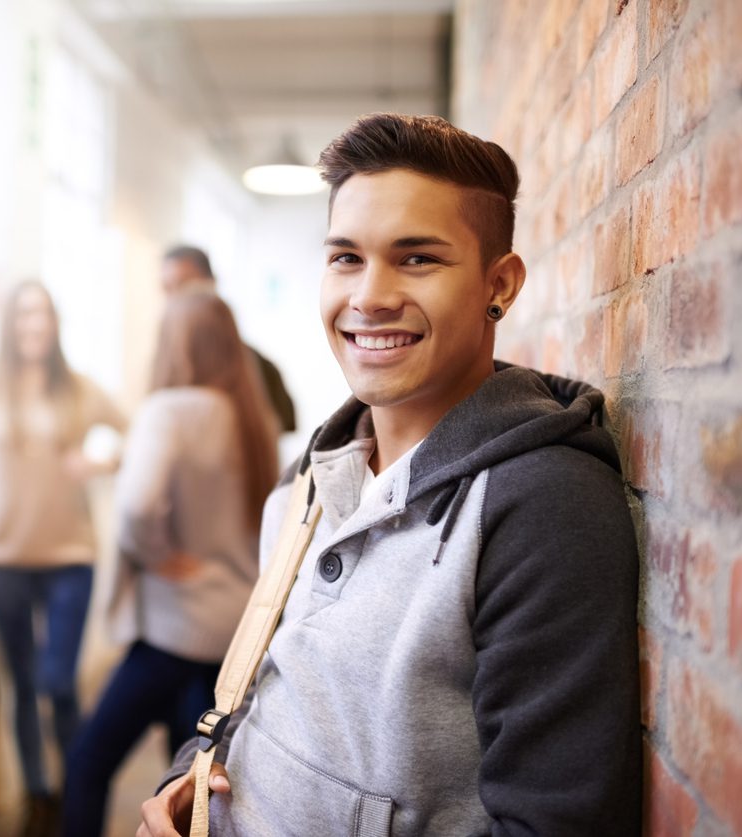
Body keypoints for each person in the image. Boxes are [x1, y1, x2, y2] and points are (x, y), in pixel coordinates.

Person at [138, 113, 642, 836]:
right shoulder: (309, 481)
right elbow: (260, 684)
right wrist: (187, 772)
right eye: (346, 258)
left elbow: (555, 822)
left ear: (498, 284)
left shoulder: (542, 504)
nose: (368, 296)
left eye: (416, 259)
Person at [62, 289, 279, 837]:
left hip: (176, 626)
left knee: (87, 762)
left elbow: (136, 507)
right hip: (234, 631)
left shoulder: (170, 410)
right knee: (191, 783)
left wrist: (158, 556)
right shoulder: (255, 420)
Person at [0, 280, 126, 837]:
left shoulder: (77, 389)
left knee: (58, 682)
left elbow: (130, 433)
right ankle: (38, 796)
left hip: (70, 557)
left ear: (54, 324)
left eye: (42, 315)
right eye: (23, 315)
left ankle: (77, 791)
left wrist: (97, 464)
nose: (33, 325)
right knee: (22, 685)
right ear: (9, 324)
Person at [160, 245, 296, 434]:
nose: (175, 299)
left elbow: (283, 427)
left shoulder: (258, 367)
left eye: (185, 286)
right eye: (167, 288)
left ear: (212, 284)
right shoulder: (163, 368)